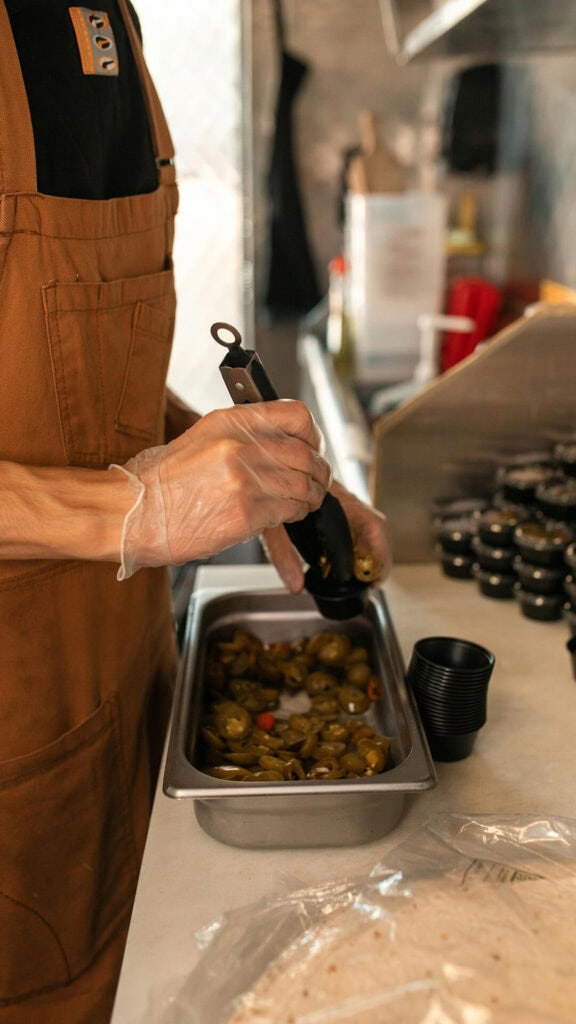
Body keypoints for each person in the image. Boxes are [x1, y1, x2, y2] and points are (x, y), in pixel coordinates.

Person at [0, 2, 391, 1022]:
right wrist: (132, 507)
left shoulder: (106, 28)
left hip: (129, 711)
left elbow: (80, 390)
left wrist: (256, 468)